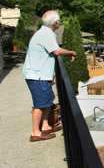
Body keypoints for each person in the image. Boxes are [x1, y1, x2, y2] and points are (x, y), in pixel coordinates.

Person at [23, 10, 77, 142]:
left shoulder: (44, 33)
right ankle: (35, 132)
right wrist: (71, 52)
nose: (60, 22)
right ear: (55, 22)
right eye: (59, 20)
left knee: (47, 100)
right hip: (37, 75)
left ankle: (45, 126)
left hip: (40, 74)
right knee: (40, 104)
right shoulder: (46, 34)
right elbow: (57, 51)